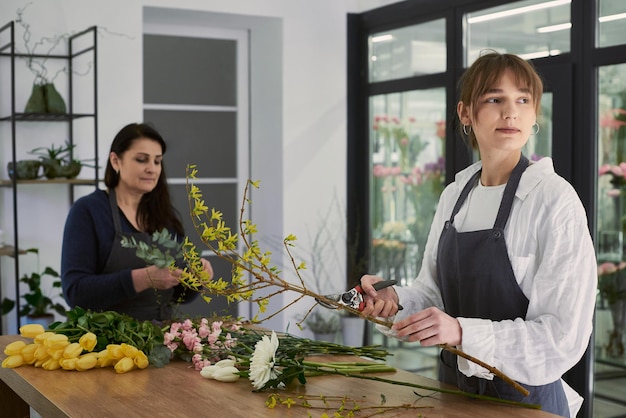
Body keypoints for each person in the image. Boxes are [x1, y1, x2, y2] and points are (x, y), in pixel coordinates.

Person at [360, 52, 597, 418]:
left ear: (535, 114)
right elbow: (432, 293)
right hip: (453, 395)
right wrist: (393, 300)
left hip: (526, 404)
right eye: (494, 99)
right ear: (465, 113)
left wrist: (461, 332)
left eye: (523, 100)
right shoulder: (455, 195)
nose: (510, 112)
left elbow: (561, 337)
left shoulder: (554, 200)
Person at [61, 122, 213, 321]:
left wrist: (195, 280)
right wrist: (143, 278)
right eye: (142, 160)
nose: (152, 169)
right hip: (105, 343)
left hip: (162, 339)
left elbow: (176, 295)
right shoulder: (88, 211)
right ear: (116, 161)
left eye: (157, 161)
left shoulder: (164, 215)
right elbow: (75, 292)